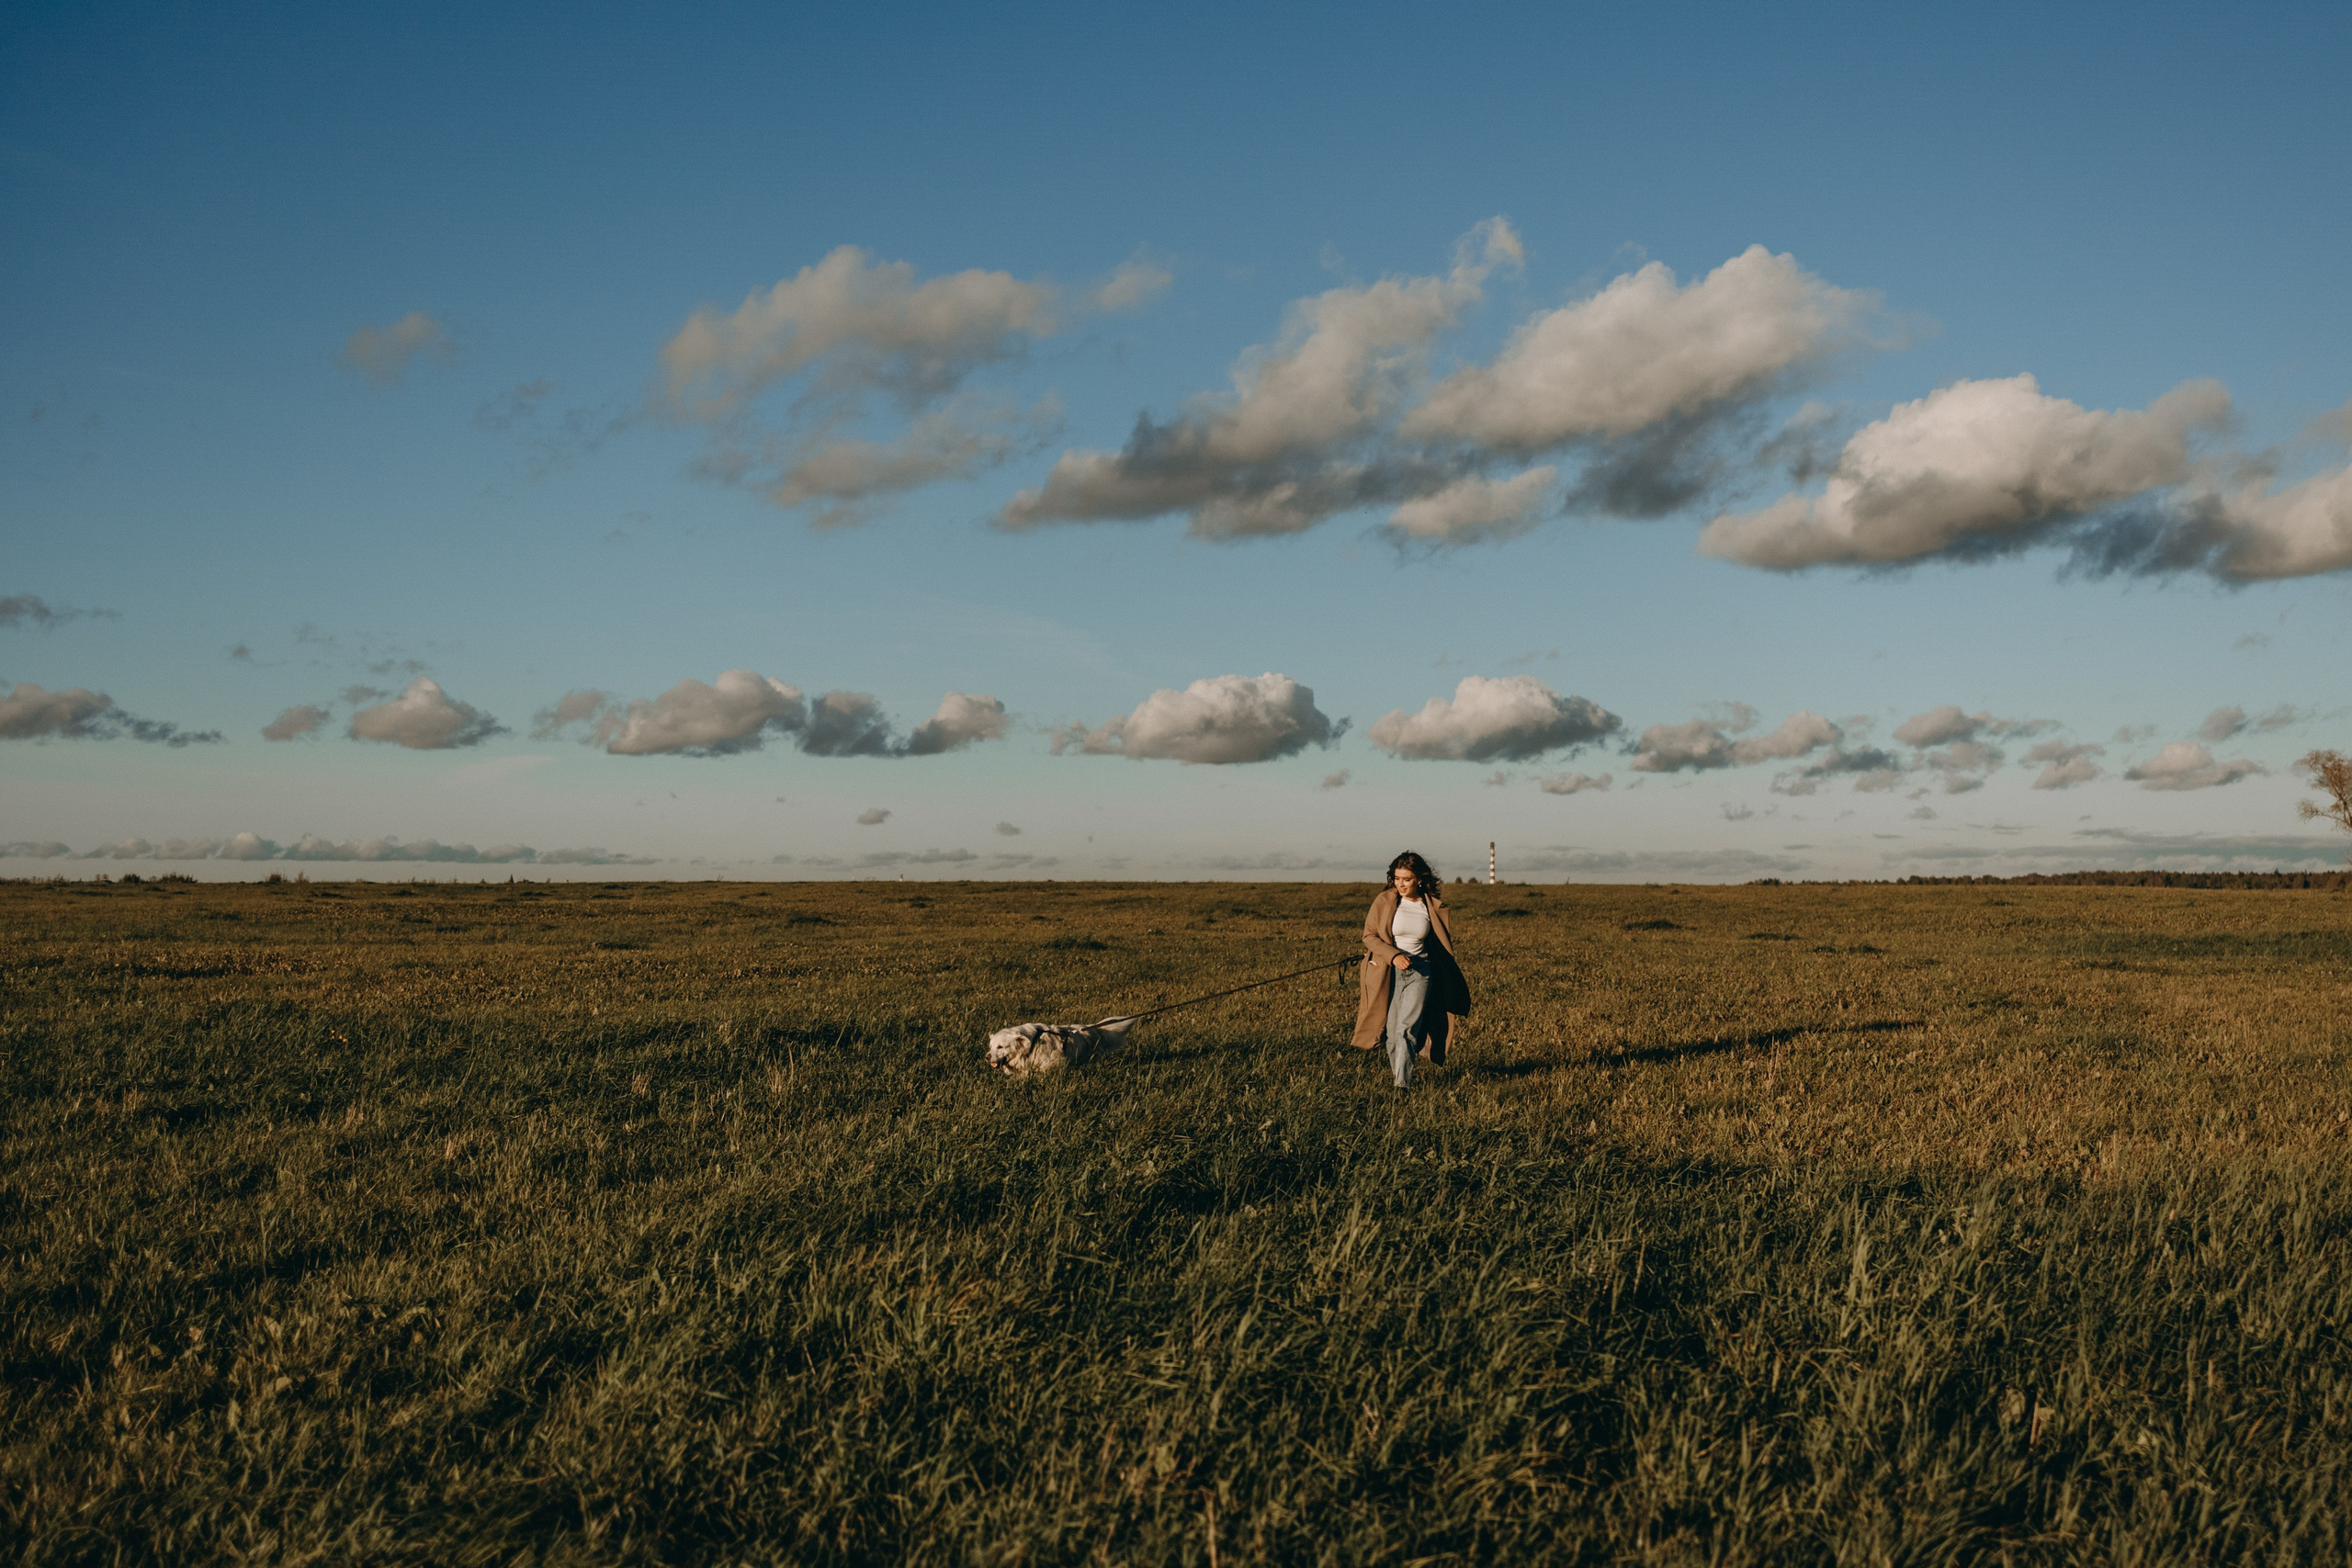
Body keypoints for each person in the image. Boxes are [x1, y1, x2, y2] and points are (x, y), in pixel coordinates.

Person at [1352, 851, 1472, 1089]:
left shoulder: (1431, 906)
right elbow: (1369, 936)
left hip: (1421, 972)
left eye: (1406, 879)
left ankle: (1402, 1085)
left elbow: (1439, 943)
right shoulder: (1385, 901)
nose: (1401, 884)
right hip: (1390, 972)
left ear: (1419, 879)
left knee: (1406, 1029)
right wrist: (1394, 956)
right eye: (1397, 878)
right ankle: (1399, 1075)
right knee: (1391, 1034)